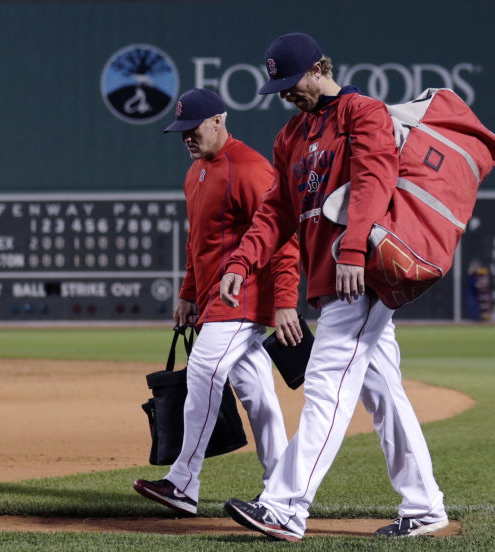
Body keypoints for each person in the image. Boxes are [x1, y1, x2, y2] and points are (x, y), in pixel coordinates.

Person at [218, 33, 449, 541]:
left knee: (327, 388)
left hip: (359, 275)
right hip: (327, 279)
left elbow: (374, 180)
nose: (284, 93)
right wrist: (242, 261)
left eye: (289, 82)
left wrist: (352, 250)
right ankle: (425, 506)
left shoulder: (362, 112)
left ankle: (286, 505)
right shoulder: (290, 136)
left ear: (317, 69)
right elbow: (277, 210)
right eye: (277, 85)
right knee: (384, 393)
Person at [133, 88, 303, 517]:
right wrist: (188, 293)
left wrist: (285, 302)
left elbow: (283, 238)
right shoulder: (195, 173)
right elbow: (198, 245)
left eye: (193, 129)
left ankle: (183, 481)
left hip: (245, 299)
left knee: (204, 371)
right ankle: (282, 491)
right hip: (213, 302)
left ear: (218, 120)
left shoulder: (250, 169)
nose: (187, 137)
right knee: (260, 398)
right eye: (180, 132)